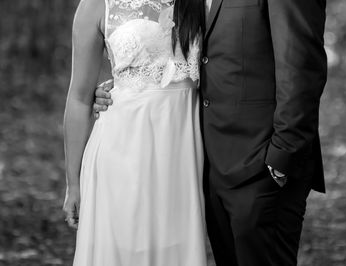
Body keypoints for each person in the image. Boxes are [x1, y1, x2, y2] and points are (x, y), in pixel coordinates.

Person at [95, 0, 328, 265]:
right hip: (213, 166)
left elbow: (301, 63)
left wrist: (282, 157)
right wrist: (122, 87)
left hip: (265, 166)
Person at [62, 0, 208, 265]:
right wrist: (73, 183)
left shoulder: (200, 3)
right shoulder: (95, 6)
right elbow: (79, 99)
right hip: (121, 151)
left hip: (181, 154)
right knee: (123, 247)